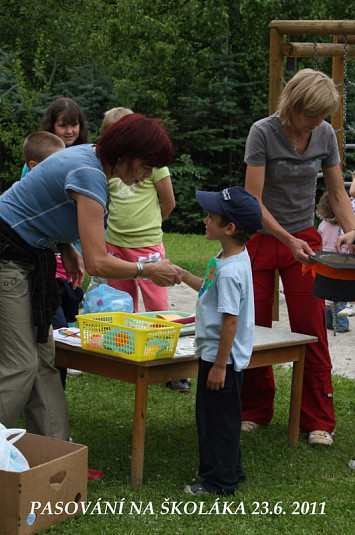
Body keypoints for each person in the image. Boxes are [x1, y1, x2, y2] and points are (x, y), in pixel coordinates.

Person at [0, 113, 180, 442]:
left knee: (43, 361)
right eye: (145, 165)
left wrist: (65, 245)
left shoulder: (91, 161)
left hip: (29, 255)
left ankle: (58, 460)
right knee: (20, 366)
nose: (147, 175)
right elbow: (98, 263)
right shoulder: (89, 173)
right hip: (6, 257)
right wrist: (147, 269)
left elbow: (44, 205)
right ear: (125, 154)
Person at [241, 68, 355, 446]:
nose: (318, 123)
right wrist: (285, 238)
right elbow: (252, 201)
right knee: (251, 327)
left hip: (302, 240)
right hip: (259, 235)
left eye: (323, 116)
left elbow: (337, 193)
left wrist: (352, 230)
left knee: (312, 327)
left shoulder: (324, 134)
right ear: (292, 106)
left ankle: (317, 421)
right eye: (312, 115)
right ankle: (253, 411)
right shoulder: (262, 131)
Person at [177, 186, 262, 495]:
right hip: (220, 357)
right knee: (224, 418)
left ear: (230, 228)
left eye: (210, 217)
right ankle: (231, 471)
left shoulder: (230, 271)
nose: (204, 220)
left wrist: (218, 367)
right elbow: (208, 286)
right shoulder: (229, 257)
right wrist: (184, 275)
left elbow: (230, 321)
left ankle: (218, 481)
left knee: (215, 423)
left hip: (220, 359)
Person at [103, 108, 190, 392]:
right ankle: (125, 356)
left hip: (148, 245)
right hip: (115, 243)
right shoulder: (107, 169)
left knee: (157, 305)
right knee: (121, 302)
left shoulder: (154, 165)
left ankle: (169, 366)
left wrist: (148, 229)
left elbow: (168, 202)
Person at [21, 97, 89, 177]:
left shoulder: (85, 153)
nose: (69, 131)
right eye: (62, 125)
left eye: (74, 125)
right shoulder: (39, 154)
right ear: (51, 126)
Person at [316, 191, 354, 332]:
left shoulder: (323, 225)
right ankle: (341, 325)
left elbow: (319, 243)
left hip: (326, 263)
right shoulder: (346, 227)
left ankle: (330, 323)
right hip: (342, 264)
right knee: (341, 295)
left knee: (328, 295)